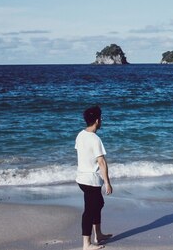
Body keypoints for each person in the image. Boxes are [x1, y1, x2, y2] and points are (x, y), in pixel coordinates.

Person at [76, 105, 113, 250]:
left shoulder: (80, 135)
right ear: (97, 120)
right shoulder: (95, 139)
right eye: (101, 117)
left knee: (98, 204)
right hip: (90, 180)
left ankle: (98, 234)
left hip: (81, 179)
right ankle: (87, 244)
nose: (102, 120)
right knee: (90, 210)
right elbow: (102, 162)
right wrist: (108, 183)